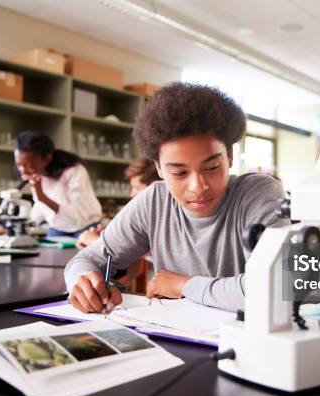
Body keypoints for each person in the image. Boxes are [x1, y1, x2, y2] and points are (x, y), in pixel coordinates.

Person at [64, 82, 289, 314]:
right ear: (159, 168)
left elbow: (278, 287)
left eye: (211, 167)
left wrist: (185, 285)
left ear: (230, 156)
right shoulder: (155, 201)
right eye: (179, 173)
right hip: (174, 339)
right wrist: (83, 282)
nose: (198, 186)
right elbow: (88, 259)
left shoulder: (258, 193)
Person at [13, 131, 102, 238]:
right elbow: (40, 208)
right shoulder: (38, 174)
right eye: (19, 165)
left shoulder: (74, 171)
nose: (24, 172)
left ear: (47, 158)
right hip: (59, 227)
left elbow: (77, 217)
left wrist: (42, 197)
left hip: (86, 225)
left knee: (81, 254)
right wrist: (17, 226)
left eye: (30, 165)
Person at [76, 157, 161, 248]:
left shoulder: (160, 218)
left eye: (137, 187)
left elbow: (137, 250)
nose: (131, 194)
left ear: (155, 188)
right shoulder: (144, 215)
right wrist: (108, 236)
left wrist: (95, 240)